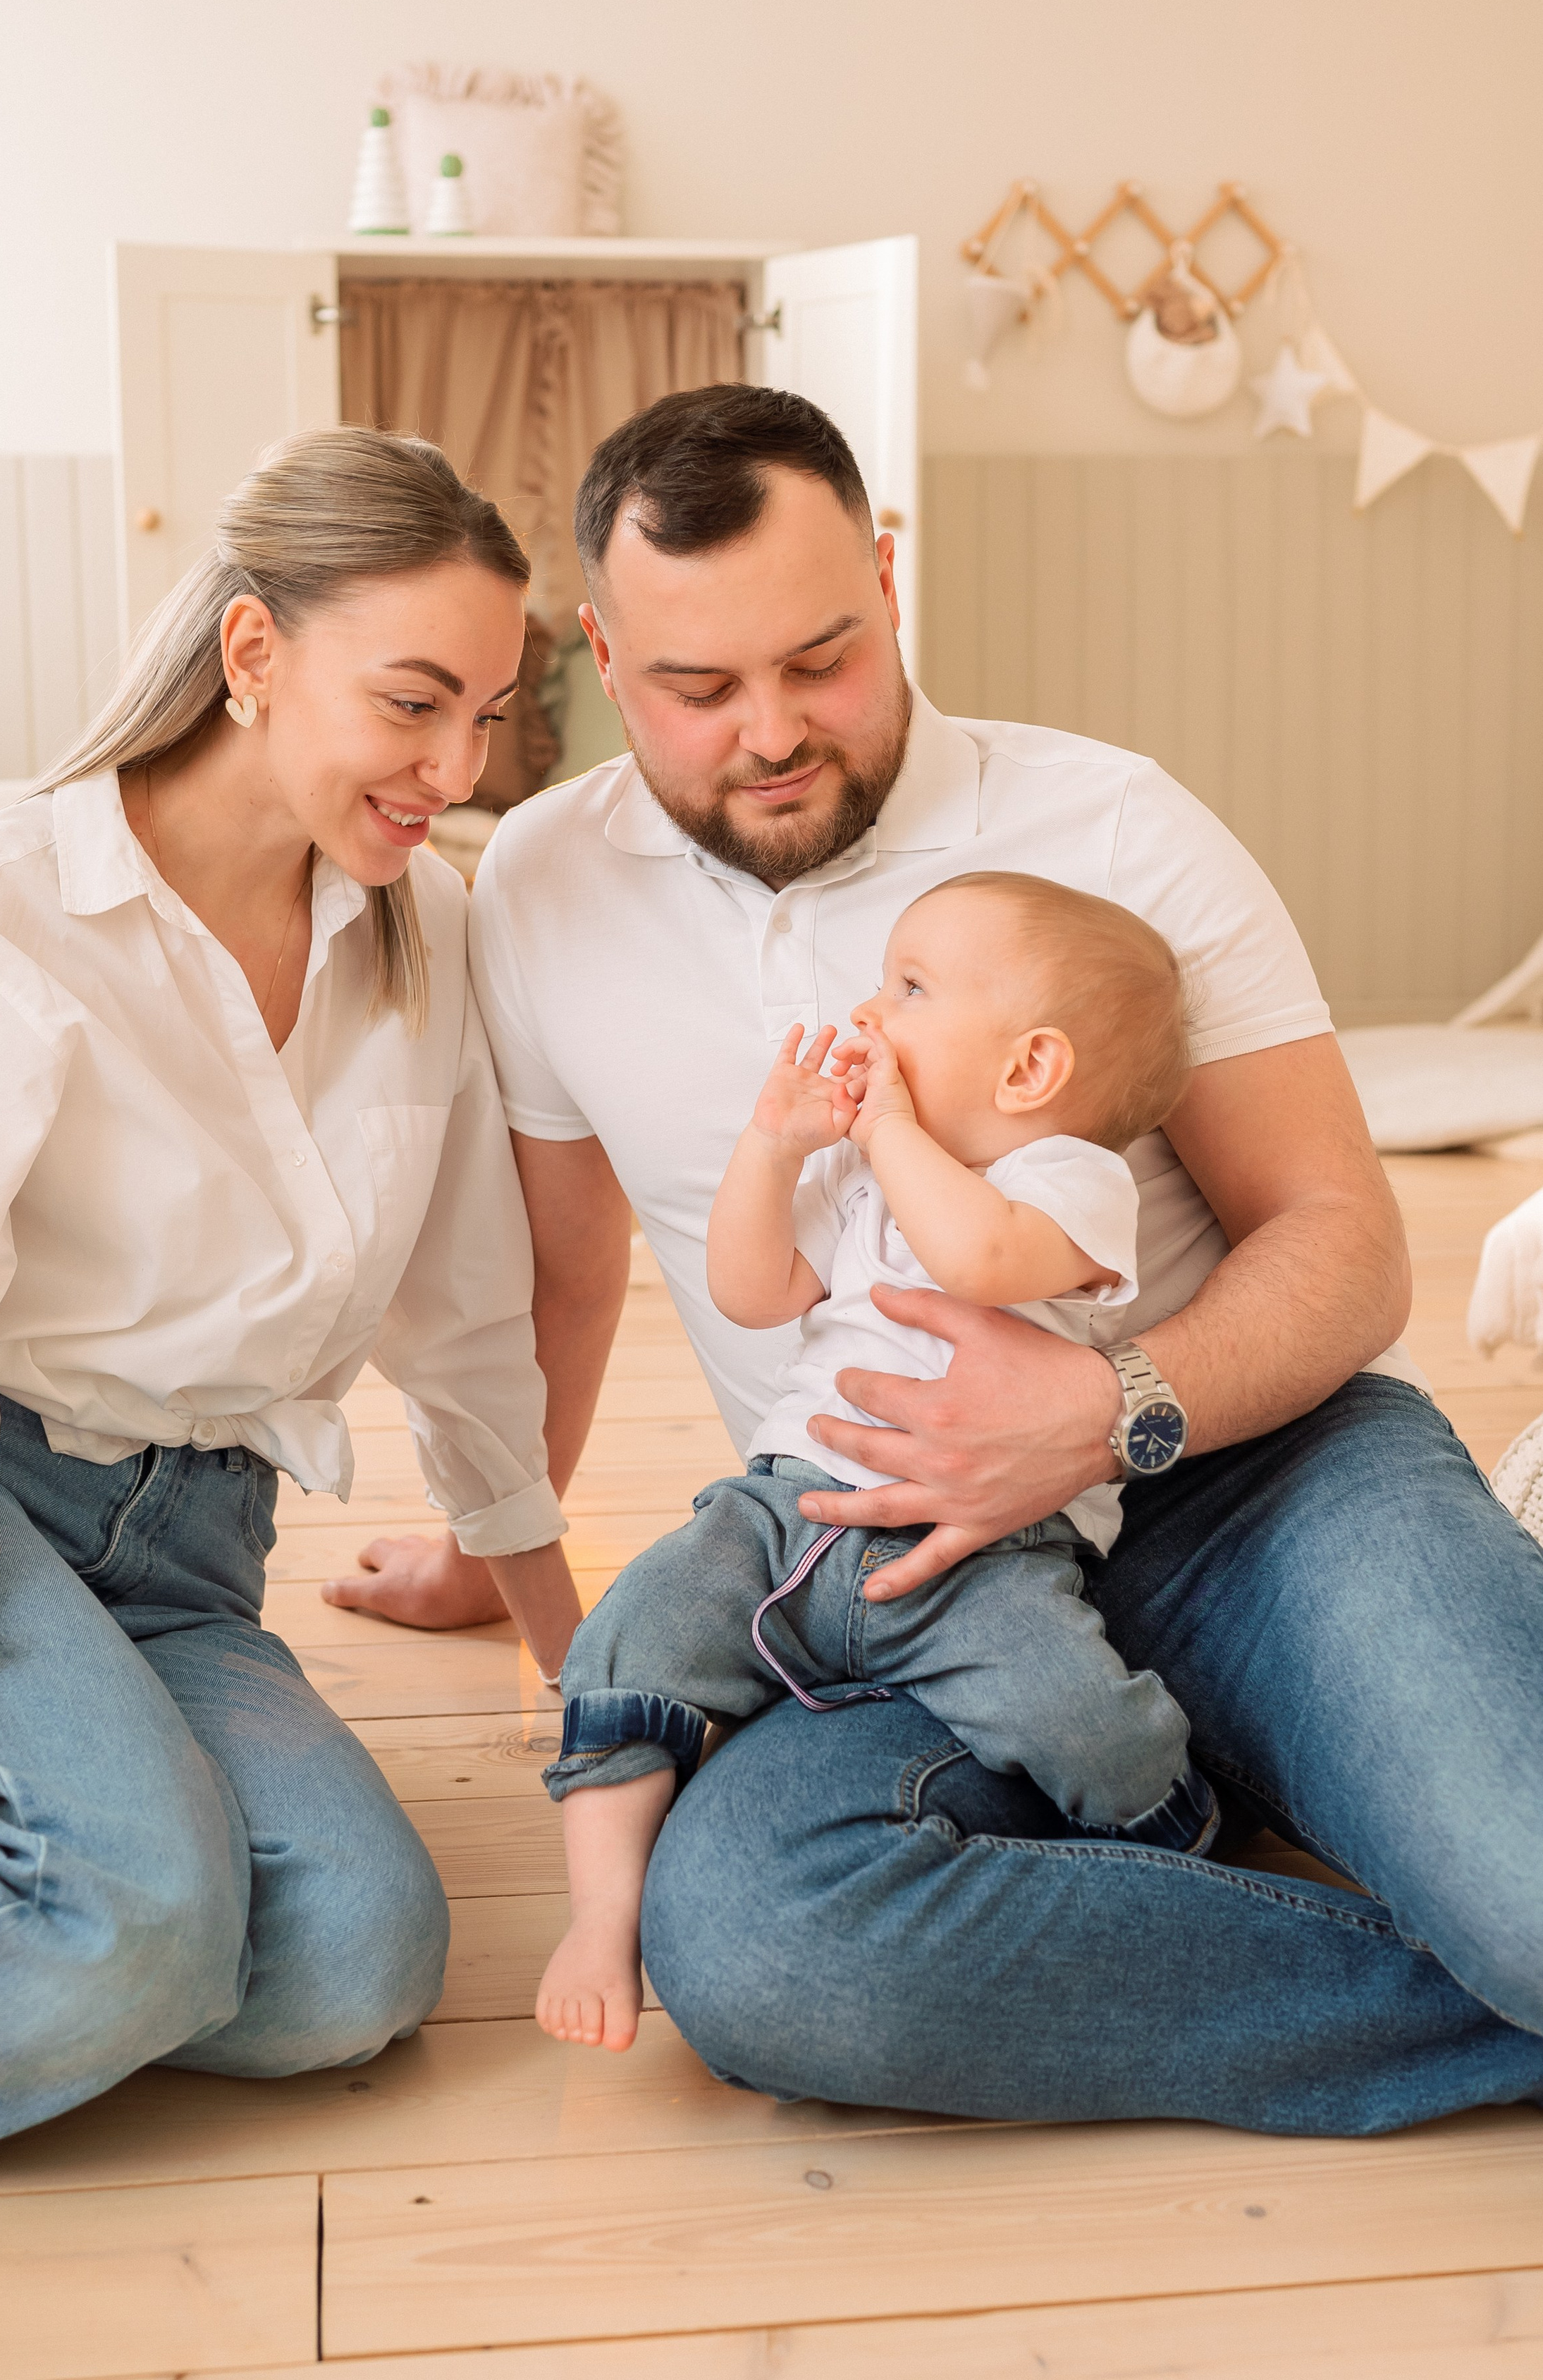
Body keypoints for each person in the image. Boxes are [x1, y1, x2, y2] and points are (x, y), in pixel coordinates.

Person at [338, 382, 1543, 2134]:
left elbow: (1343, 1248)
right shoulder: (537, 882)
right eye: (694, 687)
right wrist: (488, 1541)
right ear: (601, 651)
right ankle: (1452, 1972)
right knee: (761, 1948)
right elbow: (564, 1271)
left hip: (1248, 1485)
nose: (768, 730)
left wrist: (1100, 1408)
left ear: (886, 581)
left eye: (817, 657)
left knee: (1526, 1887)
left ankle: (1446, 1885)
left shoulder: (1112, 829)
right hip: (885, 1571)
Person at [0, 428, 579, 2172]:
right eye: (412, 702)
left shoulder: (424, 934)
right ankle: (29, 1869)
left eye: (487, 715)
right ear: (253, 653)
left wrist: (579, 1666)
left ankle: (88, 1899)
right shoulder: (4, 912)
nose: (454, 765)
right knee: (131, 1921)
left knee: (357, 1964)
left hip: (192, 1557)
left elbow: (468, 1328)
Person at [538, 872, 1215, 2054]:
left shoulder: (1067, 1182)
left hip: (982, 1551)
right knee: (638, 1623)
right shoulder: (861, 1177)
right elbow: (754, 1292)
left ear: (1027, 1072)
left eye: (909, 988)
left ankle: (1179, 1831)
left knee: (1074, 1714)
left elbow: (980, 1257)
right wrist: (774, 1144)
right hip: (791, 1508)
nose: (870, 1009)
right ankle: (604, 1912)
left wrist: (889, 1129)